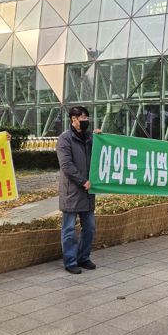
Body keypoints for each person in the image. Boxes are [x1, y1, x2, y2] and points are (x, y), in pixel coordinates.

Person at [56, 106, 96, 274]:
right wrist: (82, 180)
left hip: (87, 191)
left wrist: (101, 138)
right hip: (72, 191)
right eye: (82, 118)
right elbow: (66, 165)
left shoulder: (90, 137)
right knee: (69, 229)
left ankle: (84, 258)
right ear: (73, 120)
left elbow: (101, 154)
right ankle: (71, 261)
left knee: (90, 227)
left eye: (87, 118)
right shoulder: (65, 139)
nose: (85, 121)